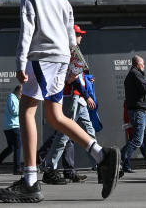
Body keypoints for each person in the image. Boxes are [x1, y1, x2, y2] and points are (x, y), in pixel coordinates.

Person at [0, 0, 119, 203]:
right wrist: (71, 59)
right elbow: (71, 35)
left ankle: (30, 181)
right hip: (61, 58)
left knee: (27, 111)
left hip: (43, 57)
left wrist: (20, 63)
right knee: (55, 116)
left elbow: (27, 30)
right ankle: (102, 156)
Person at [42, 24, 95, 184]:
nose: (81, 37)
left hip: (78, 97)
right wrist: (86, 95)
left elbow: (77, 76)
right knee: (64, 134)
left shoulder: (73, 50)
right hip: (72, 96)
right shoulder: (68, 50)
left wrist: (86, 83)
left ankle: (101, 163)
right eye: (78, 34)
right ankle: (49, 167)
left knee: (88, 131)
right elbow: (71, 78)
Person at [0, 86, 22, 176]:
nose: (22, 95)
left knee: (11, 148)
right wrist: (23, 108)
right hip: (13, 126)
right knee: (17, 147)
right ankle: (17, 169)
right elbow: (14, 111)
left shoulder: (13, 98)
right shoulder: (12, 97)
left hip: (9, 126)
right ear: (17, 91)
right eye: (21, 93)